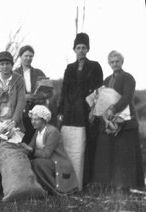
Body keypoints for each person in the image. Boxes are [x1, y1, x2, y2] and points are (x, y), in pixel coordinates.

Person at [0, 51, 46, 201]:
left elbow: (21, 102)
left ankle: (25, 185)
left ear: (12, 65)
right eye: (2, 64)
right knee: (1, 153)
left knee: (17, 152)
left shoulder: (18, 79)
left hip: (15, 123)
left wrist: (14, 120)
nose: (5, 67)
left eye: (7, 63)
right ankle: (7, 187)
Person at [91, 51, 145, 191]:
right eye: (112, 62)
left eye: (117, 61)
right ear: (109, 63)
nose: (115, 64)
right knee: (109, 152)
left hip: (126, 121)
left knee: (125, 153)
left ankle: (129, 185)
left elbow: (127, 97)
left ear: (122, 62)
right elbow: (103, 99)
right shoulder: (106, 80)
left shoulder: (128, 78)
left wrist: (113, 110)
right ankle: (110, 184)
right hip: (109, 121)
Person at [57, 33, 103, 190]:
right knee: (70, 143)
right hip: (71, 111)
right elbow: (64, 90)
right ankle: (69, 180)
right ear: (74, 49)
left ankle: (86, 181)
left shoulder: (95, 66)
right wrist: (60, 111)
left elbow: (99, 91)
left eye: (84, 47)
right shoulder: (69, 68)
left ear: (88, 49)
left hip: (87, 110)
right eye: (78, 48)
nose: (81, 50)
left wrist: (94, 111)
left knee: (88, 143)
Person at [22, 105, 78, 195]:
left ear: (43, 120)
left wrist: (30, 150)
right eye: (32, 119)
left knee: (37, 163)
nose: (33, 122)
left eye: (36, 119)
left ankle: (54, 189)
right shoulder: (38, 132)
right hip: (48, 161)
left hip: (58, 162)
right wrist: (21, 148)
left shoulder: (52, 131)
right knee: (31, 162)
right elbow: (30, 146)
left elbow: (46, 154)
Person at [14, 45, 53, 144]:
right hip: (20, 114)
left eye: (30, 56)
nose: (28, 58)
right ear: (20, 56)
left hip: (37, 114)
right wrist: (24, 97)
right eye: (26, 56)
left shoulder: (39, 73)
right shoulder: (14, 74)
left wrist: (34, 97)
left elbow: (49, 92)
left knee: (36, 141)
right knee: (21, 141)